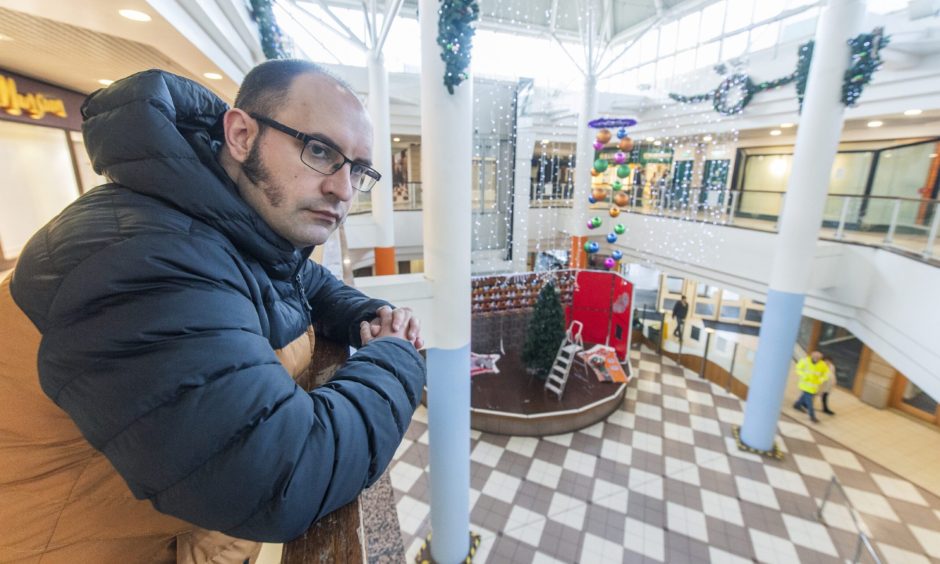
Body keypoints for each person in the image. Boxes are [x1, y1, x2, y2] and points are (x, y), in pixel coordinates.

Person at [0, 61, 426, 562]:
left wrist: (369, 314)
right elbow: (282, 476)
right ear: (242, 134)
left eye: (357, 169)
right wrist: (395, 355)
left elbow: (303, 279)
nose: (343, 189)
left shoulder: (216, 217)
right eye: (319, 151)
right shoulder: (142, 259)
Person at [792, 351, 829, 423]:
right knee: (809, 402)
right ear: (811, 356)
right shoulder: (804, 361)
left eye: (818, 358)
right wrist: (804, 375)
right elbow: (798, 369)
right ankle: (812, 416)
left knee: (804, 397)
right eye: (815, 357)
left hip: (814, 386)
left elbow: (826, 374)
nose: (816, 359)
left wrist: (821, 379)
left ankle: (797, 405)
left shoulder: (823, 365)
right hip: (805, 385)